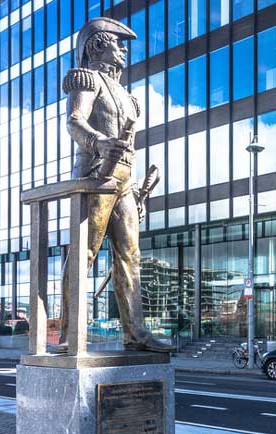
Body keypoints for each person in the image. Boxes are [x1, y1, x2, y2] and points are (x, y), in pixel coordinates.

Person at [57, 17, 175, 353]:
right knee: (85, 253)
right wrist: (98, 142)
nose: (123, 50)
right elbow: (75, 121)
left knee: (131, 255)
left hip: (125, 179)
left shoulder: (127, 94)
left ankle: (135, 334)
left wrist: (137, 191)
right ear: (97, 45)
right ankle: (69, 334)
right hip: (96, 172)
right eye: (117, 43)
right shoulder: (88, 79)